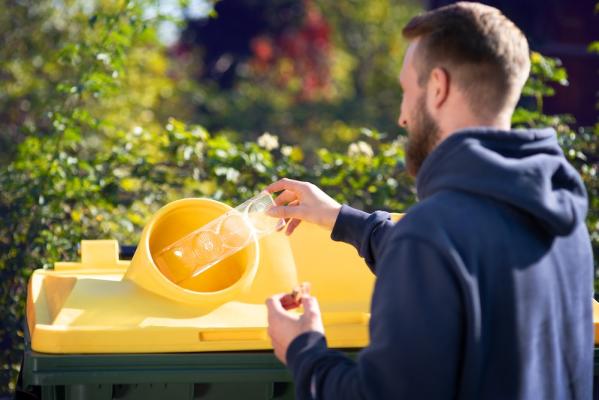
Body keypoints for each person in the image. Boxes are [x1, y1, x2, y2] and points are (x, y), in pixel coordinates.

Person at [263, 2, 594, 399]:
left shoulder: (430, 236)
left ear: (437, 87)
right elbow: (469, 262)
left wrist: (305, 352)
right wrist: (339, 218)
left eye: (407, 90)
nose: (403, 116)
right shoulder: (561, 222)